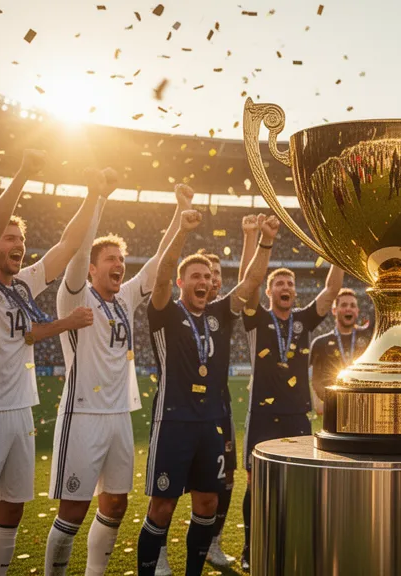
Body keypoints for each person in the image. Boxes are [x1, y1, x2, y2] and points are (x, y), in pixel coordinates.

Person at [0, 153, 105, 576]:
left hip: (20, 410)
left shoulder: (23, 282)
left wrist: (92, 195)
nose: (17, 245)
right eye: (8, 238)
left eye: (21, 239)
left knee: (11, 509)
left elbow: (68, 244)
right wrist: (22, 176)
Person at [44, 177, 192, 576]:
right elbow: (75, 255)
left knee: (115, 504)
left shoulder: (124, 297)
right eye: (109, 259)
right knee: (73, 510)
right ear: (92, 269)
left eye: (120, 260)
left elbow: (159, 264)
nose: (118, 265)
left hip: (119, 418)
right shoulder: (75, 295)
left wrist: (180, 212)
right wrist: (98, 199)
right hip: (83, 416)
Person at [137, 211, 278, 576]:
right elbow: (163, 272)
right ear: (182, 282)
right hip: (173, 422)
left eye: (207, 277)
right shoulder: (165, 311)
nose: (203, 281)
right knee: (162, 506)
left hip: (211, 423)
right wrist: (182, 230)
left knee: (208, 502)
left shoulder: (219, 313)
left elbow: (251, 282)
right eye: (195, 276)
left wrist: (266, 241)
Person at [240, 262, 345, 569]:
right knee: (254, 481)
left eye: (290, 284)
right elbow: (250, 281)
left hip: (297, 414)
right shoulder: (257, 318)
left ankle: (295, 542)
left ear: (295, 291)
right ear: (270, 290)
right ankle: (250, 545)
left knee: (299, 481)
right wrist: (260, 243)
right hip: (262, 413)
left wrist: (338, 255)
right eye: (280, 283)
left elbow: (331, 291)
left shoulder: (303, 320)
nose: (286, 288)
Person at [310, 288, 372, 407]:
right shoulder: (320, 343)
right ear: (334, 310)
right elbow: (316, 381)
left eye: (352, 305)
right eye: (344, 305)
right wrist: (326, 403)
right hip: (333, 408)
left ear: (357, 311)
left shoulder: (369, 339)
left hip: (364, 407)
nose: (348, 308)